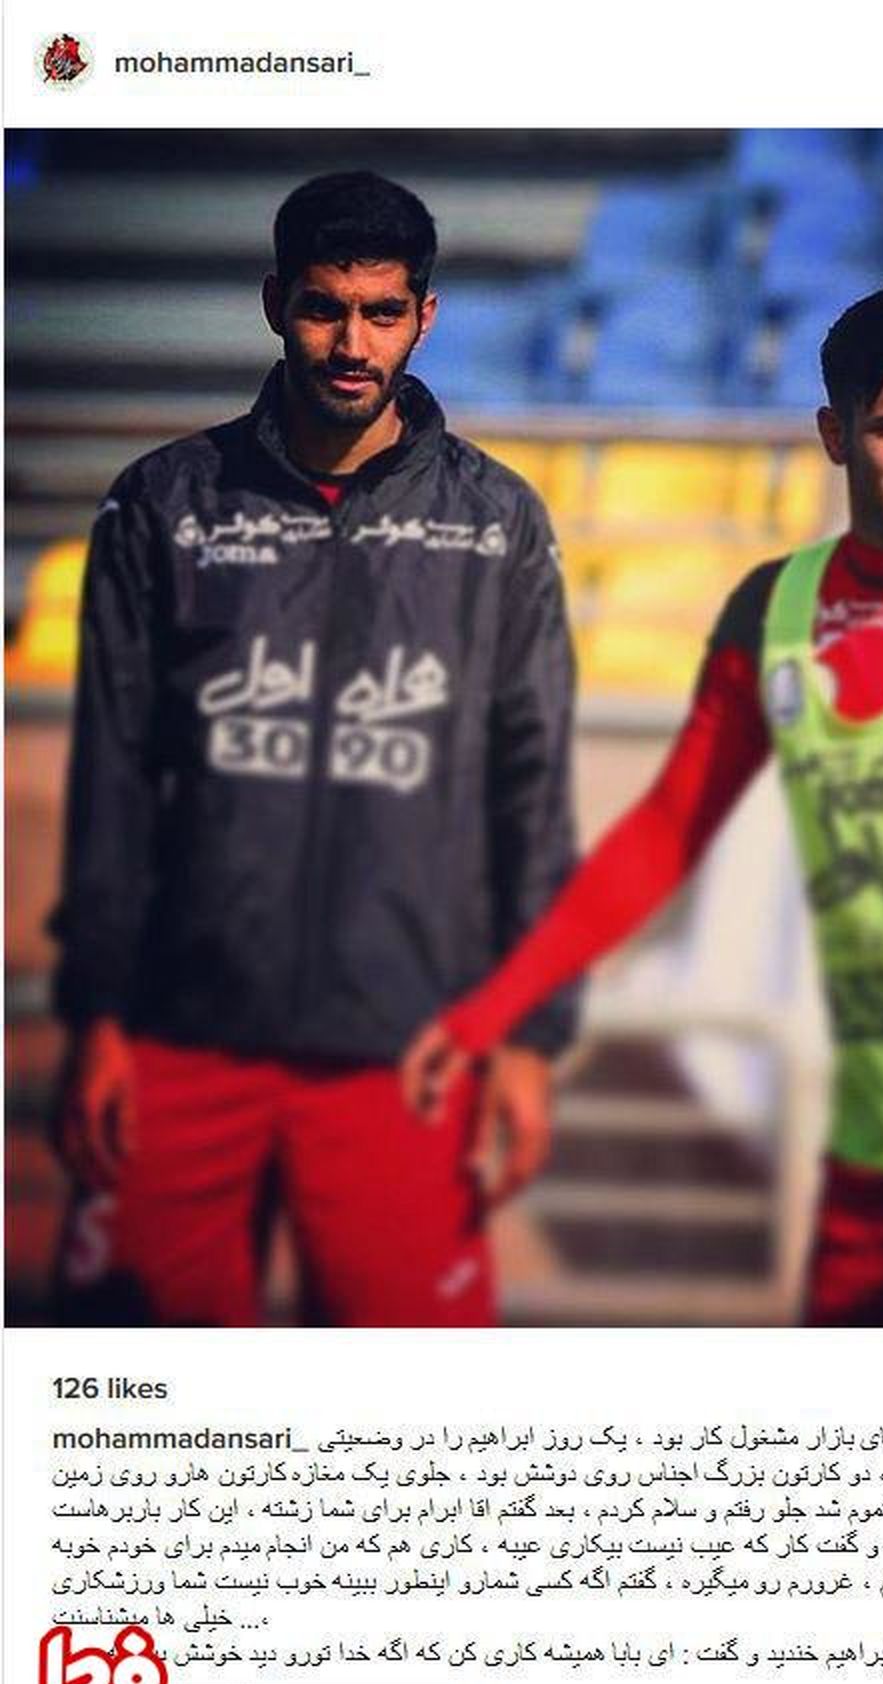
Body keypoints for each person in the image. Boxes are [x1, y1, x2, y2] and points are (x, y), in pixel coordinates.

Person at [404, 285, 883, 1327]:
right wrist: (494, 1008)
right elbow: (662, 837)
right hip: (875, 1150)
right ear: (835, 434)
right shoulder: (772, 616)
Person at [51, 170, 578, 1327]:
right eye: (323, 309)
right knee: (131, 1399)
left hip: (408, 1048)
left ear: (423, 316)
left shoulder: (497, 523)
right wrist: (97, 1012)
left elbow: (532, 795)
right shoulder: (164, 504)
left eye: (382, 313)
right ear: (274, 304)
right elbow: (114, 779)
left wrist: (531, 1038)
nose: (352, 344)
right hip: (182, 1036)